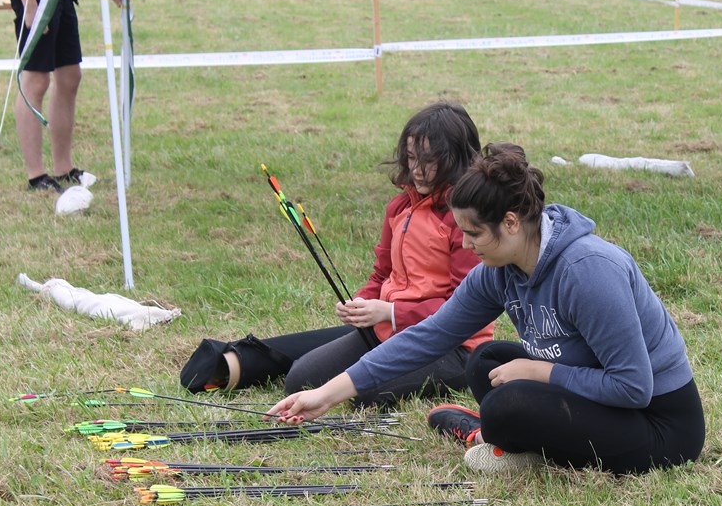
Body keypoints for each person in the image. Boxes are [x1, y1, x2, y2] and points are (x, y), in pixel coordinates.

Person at [268, 143, 705, 476]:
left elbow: (633, 387)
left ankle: (493, 433)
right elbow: (428, 337)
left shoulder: (588, 271)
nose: (467, 244)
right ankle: (510, 435)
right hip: (596, 395)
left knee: (507, 405)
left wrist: (539, 373)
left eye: (474, 233)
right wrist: (325, 394)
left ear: (511, 222)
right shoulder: (498, 269)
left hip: (660, 424)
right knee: (487, 361)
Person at [181, 101, 494, 408]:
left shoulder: (461, 220)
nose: (417, 170)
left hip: (453, 346)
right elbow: (382, 275)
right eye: (411, 158)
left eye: (429, 161)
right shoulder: (399, 208)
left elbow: (460, 307)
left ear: (455, 159)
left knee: (365, 393)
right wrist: (360, 304)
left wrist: (390, 312)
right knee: (300, 378)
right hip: (388, 334)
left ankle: (459, 376)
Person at [0, 0, 129, 192]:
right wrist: (29, 4)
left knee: (70, 76)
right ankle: (37, 177)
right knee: (36, 80)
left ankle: (64, 169)